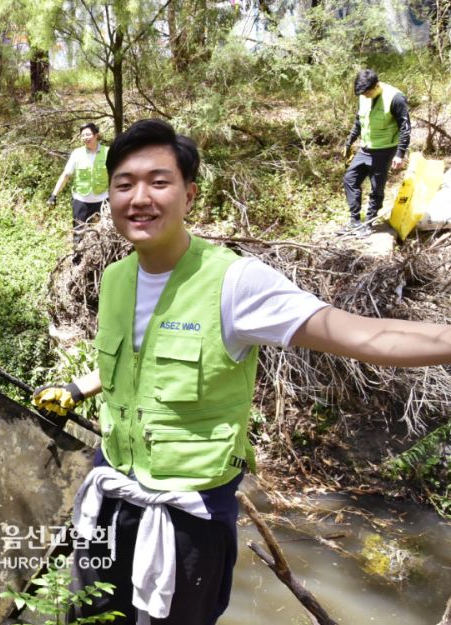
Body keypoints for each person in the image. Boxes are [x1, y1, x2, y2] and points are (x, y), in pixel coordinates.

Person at [32, 119, 451, 625]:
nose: (139, 197)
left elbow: (363, 335)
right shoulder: (118, 278)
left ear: (189, 195)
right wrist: (78, 388)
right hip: (110, 492)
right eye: (124, 184)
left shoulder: (235, 284)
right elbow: (128, 362)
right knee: (86, 617)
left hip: (188, 516)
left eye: (158, 182)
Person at [342, 69, 410, 232]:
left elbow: (405, 127)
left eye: (367, 92)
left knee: (376, 187)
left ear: (376, 85)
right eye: (361, 94)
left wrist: (400, 153)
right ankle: (355, 221)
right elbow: (359, 120)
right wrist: (349, 141)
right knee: (350, 179)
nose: (364, 96)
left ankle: (369, 222)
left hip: (385, 150)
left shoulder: (396, 98)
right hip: (365, 148)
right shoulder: (363, 96)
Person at [48, 123, 110, 256]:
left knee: (105, 233)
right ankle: (78, 261)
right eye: (82, 135)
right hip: (81, 201)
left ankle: (103, 261)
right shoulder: (77, 153)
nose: (85, 138)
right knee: (79, 234)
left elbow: (117, 175)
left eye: (88, 134)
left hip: (103, 200)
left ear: (96, 135)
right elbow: (66, 175)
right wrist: (54, 195)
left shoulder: (107, 152)